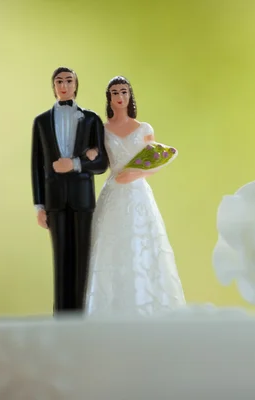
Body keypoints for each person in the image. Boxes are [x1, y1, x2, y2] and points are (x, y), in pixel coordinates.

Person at [84, 75, 186, 316]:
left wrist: (136, 173)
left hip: (138, 193)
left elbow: (157, 160)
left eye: (124, 92)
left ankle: (144, 303)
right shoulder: (102, 129)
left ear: (130, 96)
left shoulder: (144, 129)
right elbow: (100, 157)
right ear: (109, 98)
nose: (120, 97)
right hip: (113, 191)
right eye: (115, 93)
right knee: (109, 244)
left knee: (140, 242)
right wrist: (90, 154)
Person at [31, 66, 109, 315]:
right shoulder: (42, 122)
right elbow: (36, 165)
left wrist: (76, 163)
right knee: (60, 258)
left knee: (83, 258)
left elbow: (101, 163)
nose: (63, 86)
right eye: (59, 81)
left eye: (68, 81)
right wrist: (39, 205)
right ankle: (61, 317)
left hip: (82, 198)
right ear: (53, 87)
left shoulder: (91, 120)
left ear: (76, 85)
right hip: (55, 200)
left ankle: (82, 314)